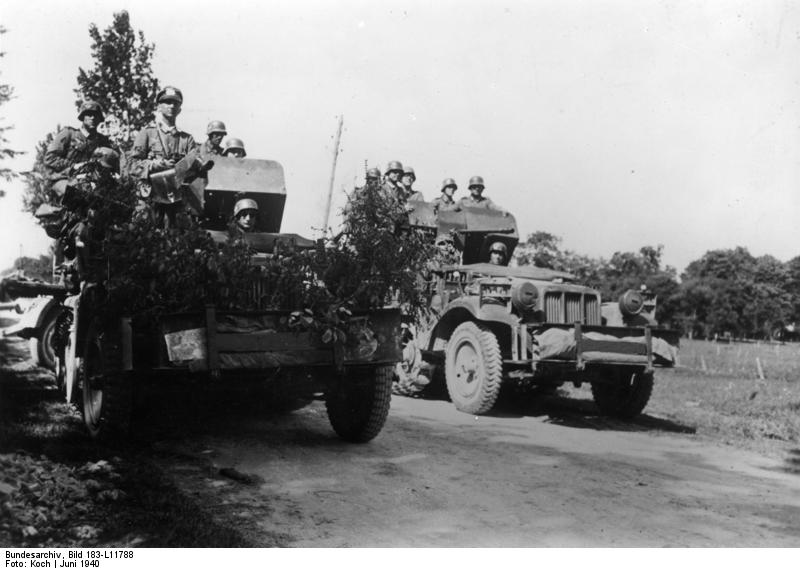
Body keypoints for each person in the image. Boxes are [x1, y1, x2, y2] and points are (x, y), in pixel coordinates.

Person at [130, 86, 197, 226]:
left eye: (176, 103)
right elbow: (133, 165)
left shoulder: (187, 139)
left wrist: (181, 168)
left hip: (178, 203)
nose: (172, 106)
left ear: (180, 109)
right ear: (159, 107)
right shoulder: (147, 133)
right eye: (167, 102)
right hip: (151, 200)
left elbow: (194, 169)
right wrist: (155, 164)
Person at [44, 100, 114, 197]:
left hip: (91, 182)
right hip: (64, 179)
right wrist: (73, 166)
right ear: (82, 117)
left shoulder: (103, 141)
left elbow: (111, 164)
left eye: (95, 114)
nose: (92, 117)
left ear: (99, 118)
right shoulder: (69, 134)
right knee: (76, 194)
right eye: (89, 114)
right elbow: (50, 159)